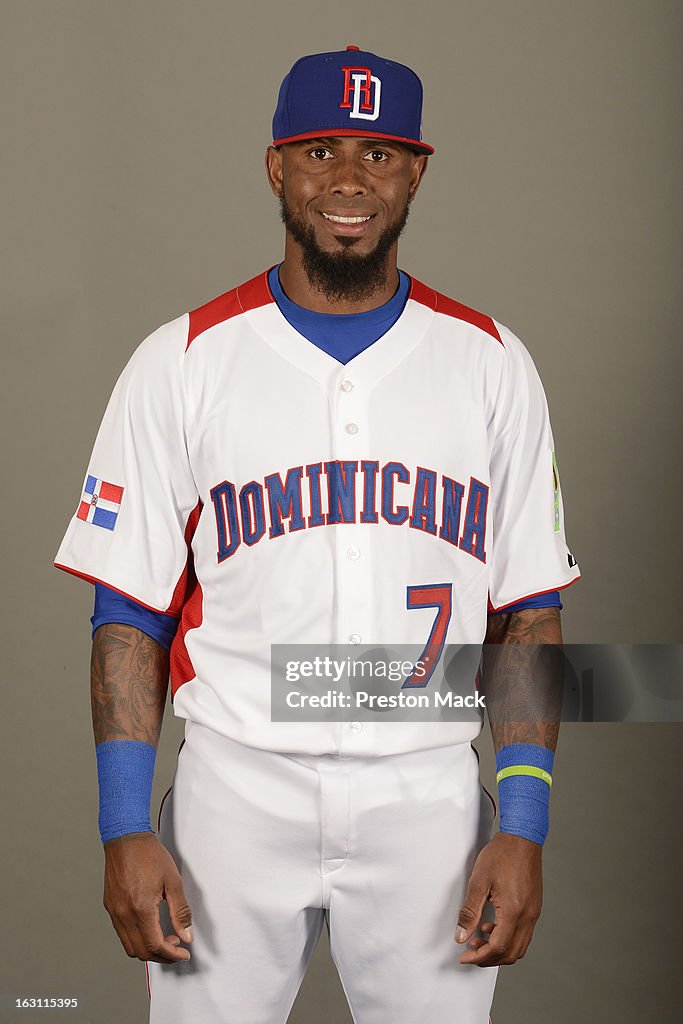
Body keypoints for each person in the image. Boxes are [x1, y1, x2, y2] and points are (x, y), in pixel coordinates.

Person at [55, 45, 580, 1024]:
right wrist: (123, 822)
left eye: (379, 154)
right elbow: (127, 609)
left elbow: (526, 615)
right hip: (234, 792)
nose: (347, 179)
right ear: (275, 167)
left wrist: (523, 824)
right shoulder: (181, 362)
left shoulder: (491, 366)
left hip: (425, 794)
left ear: (416, 171)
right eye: (319, 150)